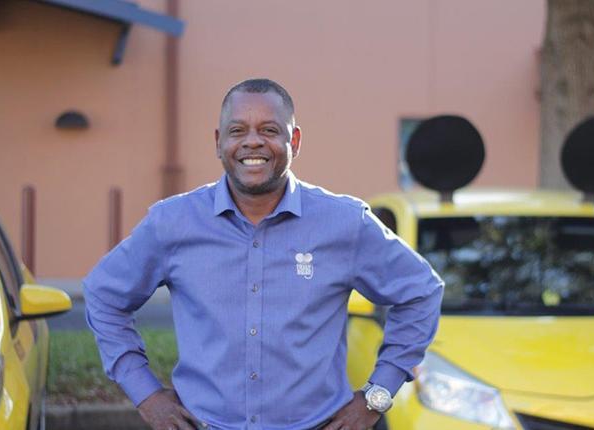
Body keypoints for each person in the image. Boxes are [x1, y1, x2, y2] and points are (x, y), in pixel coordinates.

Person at [84, 78, 443, 430]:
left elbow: (421, 291)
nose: (252, 142)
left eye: (269, 130)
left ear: (295, 140)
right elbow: (104, 294)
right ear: (219, 141)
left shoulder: (345, 223)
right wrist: (146, 395)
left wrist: (375, 396)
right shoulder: (172, 223)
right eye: (237, 130)